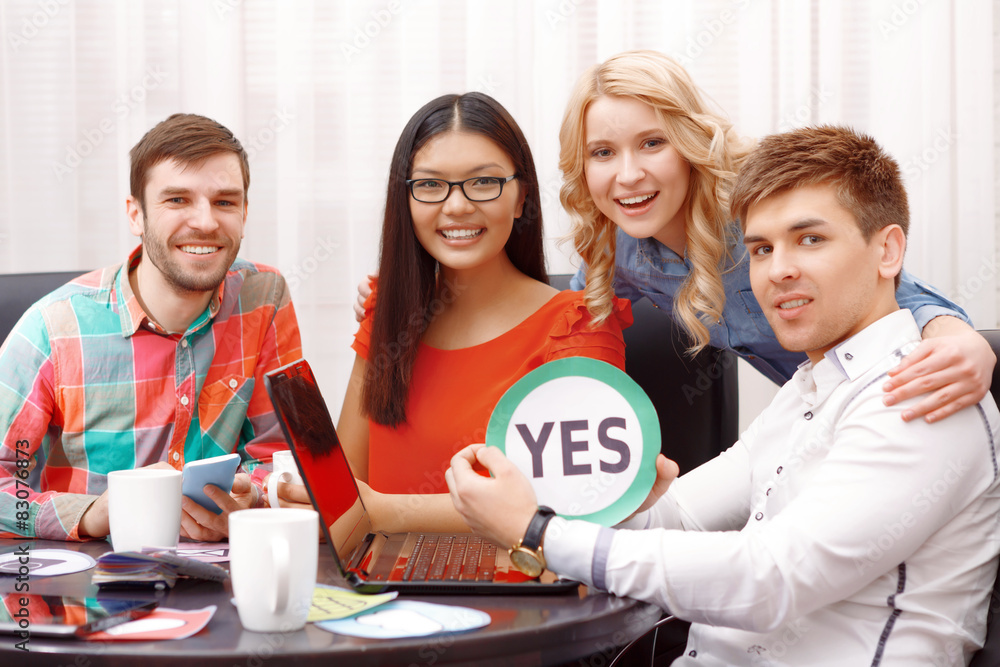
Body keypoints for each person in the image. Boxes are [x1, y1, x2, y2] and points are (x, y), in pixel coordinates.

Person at [447, 125, 1000, 664]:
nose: (778, 271)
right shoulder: (811, 385)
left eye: (810, 239)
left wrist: (538, 532)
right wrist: (611, 504)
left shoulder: (921, 392)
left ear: (888, 251)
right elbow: (680, 517)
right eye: (761, 248)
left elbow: (769, 579)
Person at [356, 51, 994, 426]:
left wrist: (965, 341)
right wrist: (426, 296)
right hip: (814, 414)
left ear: (689, 144)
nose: (628, 175)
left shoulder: (757, 213)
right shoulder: (622, 252)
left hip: (904, 401)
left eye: (652, 143)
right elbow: (563, 318)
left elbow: (896, 286)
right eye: (603, 152)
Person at [335, 92, 631, 534]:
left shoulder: (578, 328)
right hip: (381, 573)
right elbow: (344, 485)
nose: (457, 206)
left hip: (513, 574)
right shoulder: (387, 311)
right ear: (406, 199)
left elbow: (577, 505)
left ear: (520, 198)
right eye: (430, 185)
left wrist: (383, 512)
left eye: (484, 182)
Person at [0, 113, 303, 541]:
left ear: (244, 212)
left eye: (224, 202)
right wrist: (90, 514)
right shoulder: (54, 327)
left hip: (222, 566)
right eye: (177, 199)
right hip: (92, 572)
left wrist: (248, 498)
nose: (205, 222)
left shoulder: (264, 297)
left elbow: (285, 457)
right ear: (136, 215)